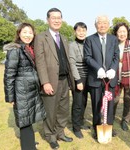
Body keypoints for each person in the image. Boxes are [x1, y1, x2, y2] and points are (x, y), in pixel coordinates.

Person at [34, 8, 75, 150]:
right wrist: (45, 82)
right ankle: (50, 136)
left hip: (64, 81)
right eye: (54, 18)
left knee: (63, 109)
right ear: (48, 20)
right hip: (50, 81)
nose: (57, 20)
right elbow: (40, 62)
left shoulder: (63, 38)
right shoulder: (41, 37)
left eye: (59, 18)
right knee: (50, 110)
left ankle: (60, 132)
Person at [3, 23, 46, 150]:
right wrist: (11, 97)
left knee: (29, 119)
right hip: (21, 91)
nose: (28, 35)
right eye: (25, 32)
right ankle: (28, 147)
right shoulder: (15, 50)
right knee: (25, 121)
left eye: (30, 33)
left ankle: (30, 143)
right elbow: (9, 75)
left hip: (31, 90)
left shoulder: (28, 48)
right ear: (19, 33)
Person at [84, 15, 119, 140]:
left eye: (105, 23)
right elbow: (87, 57)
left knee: (109, 104)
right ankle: (97, 127)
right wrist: (98, 68)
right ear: (95, 25)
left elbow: (116, 56)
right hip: (96, 79)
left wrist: (113, 69)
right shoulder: (89, 40)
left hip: (110, 79)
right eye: (100, 23)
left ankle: (108, 126)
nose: (102, 25)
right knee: (97, 104)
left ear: (108, 25)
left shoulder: (114, 39)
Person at [69, 22, 89, 139]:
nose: (81, 33)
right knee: (77, 102)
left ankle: (81, 123)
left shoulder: (88, 43)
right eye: (79, 30)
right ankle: (75, 127)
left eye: (83, 30)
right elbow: (72, 64)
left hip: (88, 77)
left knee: (84, 101)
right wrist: (78, 80)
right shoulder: (72, 45)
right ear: (75, 32)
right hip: (79, 77)